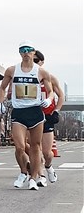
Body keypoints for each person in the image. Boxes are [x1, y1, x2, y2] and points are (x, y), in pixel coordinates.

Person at [0, 41, 54, 190]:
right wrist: (0, 103)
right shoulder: (12, 70)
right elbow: (2, 88)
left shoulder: (41, 72)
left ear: (34, 52)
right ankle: (23, 171)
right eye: (23, 50)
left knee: (35, 147)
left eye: (29, 50)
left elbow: (51, 91)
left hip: (35, 111)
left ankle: (33, 178)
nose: (26, 53)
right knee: (20, 147)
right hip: (19, 111)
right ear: (20, 53)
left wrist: (48, 100)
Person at [33, 50, 64, 185]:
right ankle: (41, 176)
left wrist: (56, 111)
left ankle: (48, 167)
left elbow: (61, 96)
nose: (33, 63)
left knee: (47, 153)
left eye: (35, 61)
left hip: (47, 116)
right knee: (35, 148)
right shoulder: (26, 78)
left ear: (42, 62)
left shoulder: (50, 78)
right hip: (32, 116)